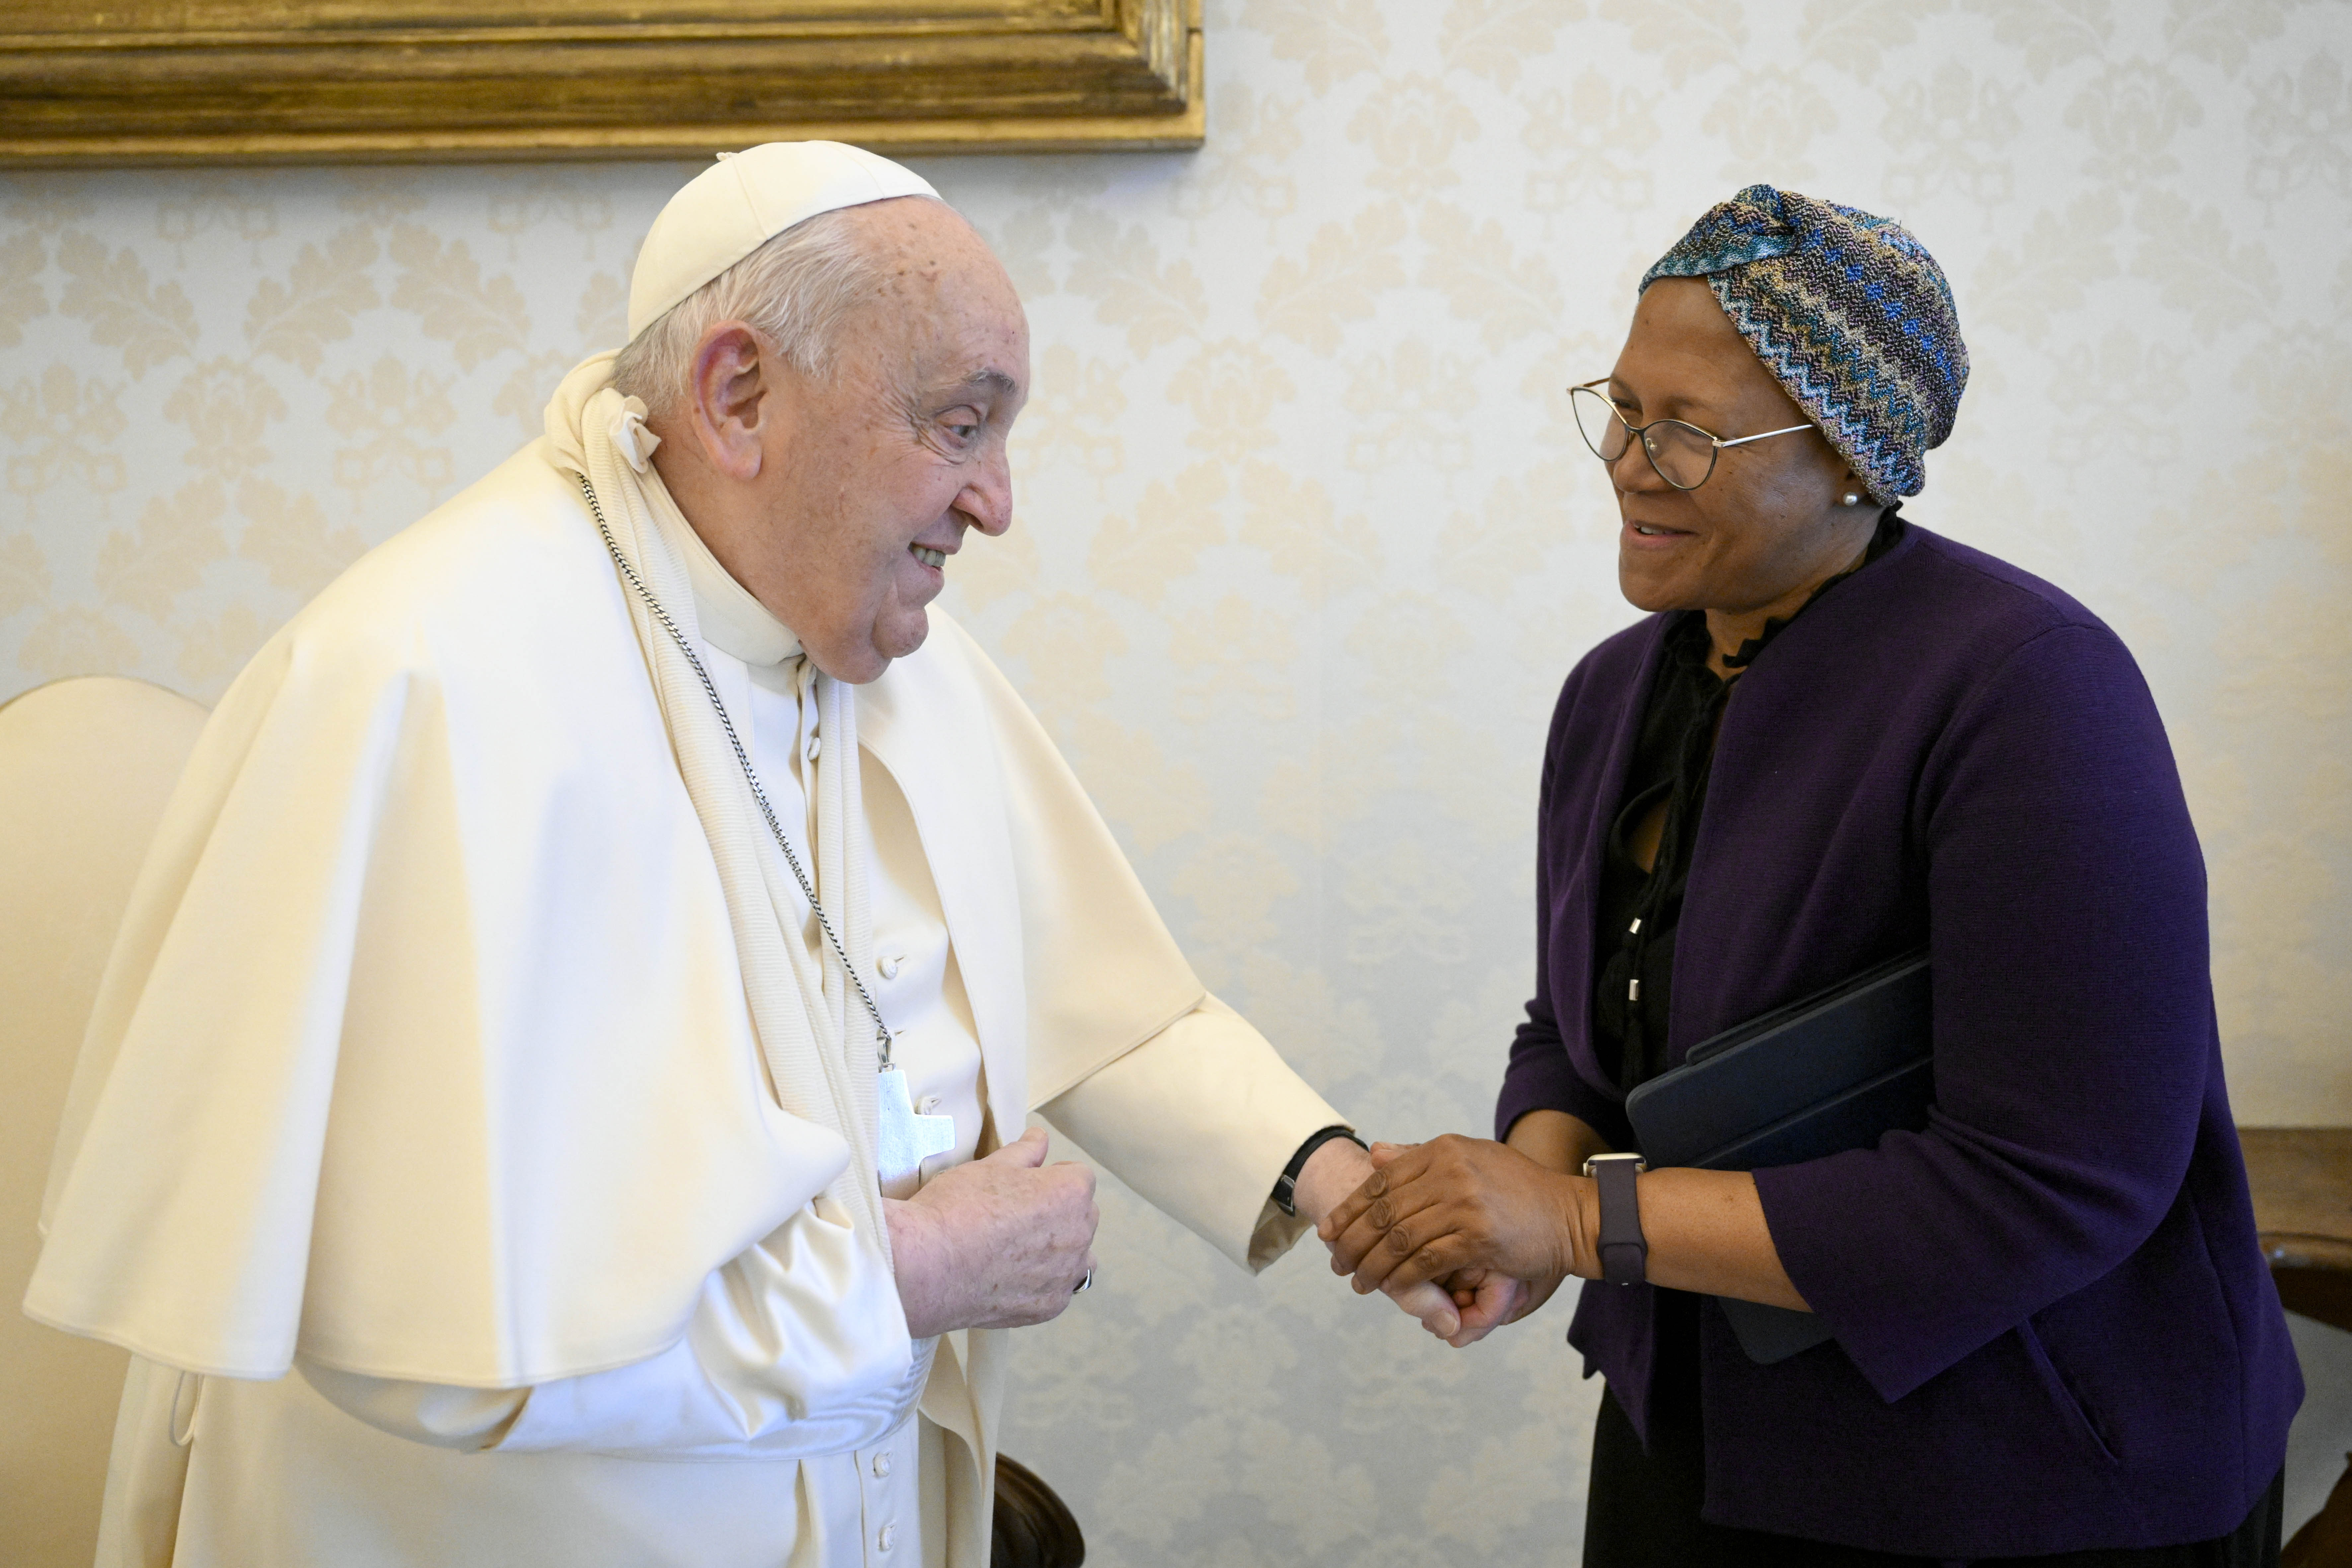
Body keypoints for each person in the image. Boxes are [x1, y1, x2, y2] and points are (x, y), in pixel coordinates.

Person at [25, 141, 1451, 1568]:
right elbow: (429, 1333)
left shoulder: (885, 644)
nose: (998, 502)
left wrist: (1338, 1182)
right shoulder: (427, 680)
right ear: (738, 396)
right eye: (961, 427)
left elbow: (1103, 994)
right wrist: (913, 1270)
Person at [1320, 185, 2302, 1565]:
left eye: (1687, 429)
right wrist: (1517, 1203)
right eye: (1617, 402)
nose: (1625, 459)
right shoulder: (1614, 695)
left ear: (1853, 453)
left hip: (2018, 1479)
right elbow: (1583, 1028)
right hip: (1697, 1450)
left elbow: (2053, 1182)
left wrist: (1574, 1217)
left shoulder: (2029, 690)